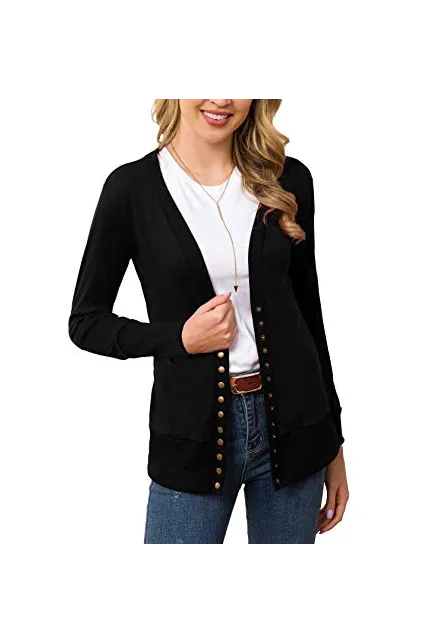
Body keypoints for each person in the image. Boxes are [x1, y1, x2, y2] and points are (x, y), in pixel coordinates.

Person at [69, 97, 349, 544]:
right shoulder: (132, 188)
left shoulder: (288, 179)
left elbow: (309, 316)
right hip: (192, 436)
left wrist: (333, 443)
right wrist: (179, 338)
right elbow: (86, 322)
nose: (221, 98)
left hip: (299, 428)